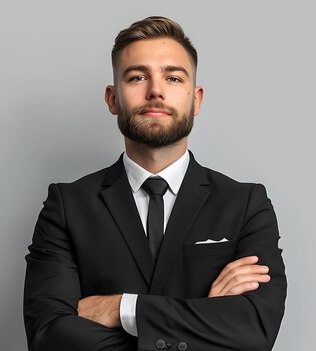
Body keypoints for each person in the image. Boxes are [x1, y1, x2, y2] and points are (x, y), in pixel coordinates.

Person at [23, 16, 286, 351]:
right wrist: (205, 317)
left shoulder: (245, 204)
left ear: (196, 100)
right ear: (113, 98)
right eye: (137, 77)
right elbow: (49, 337)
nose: (156, 90)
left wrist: (121, 308)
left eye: (173, 77)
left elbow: (254, 331)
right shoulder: (67, 206)